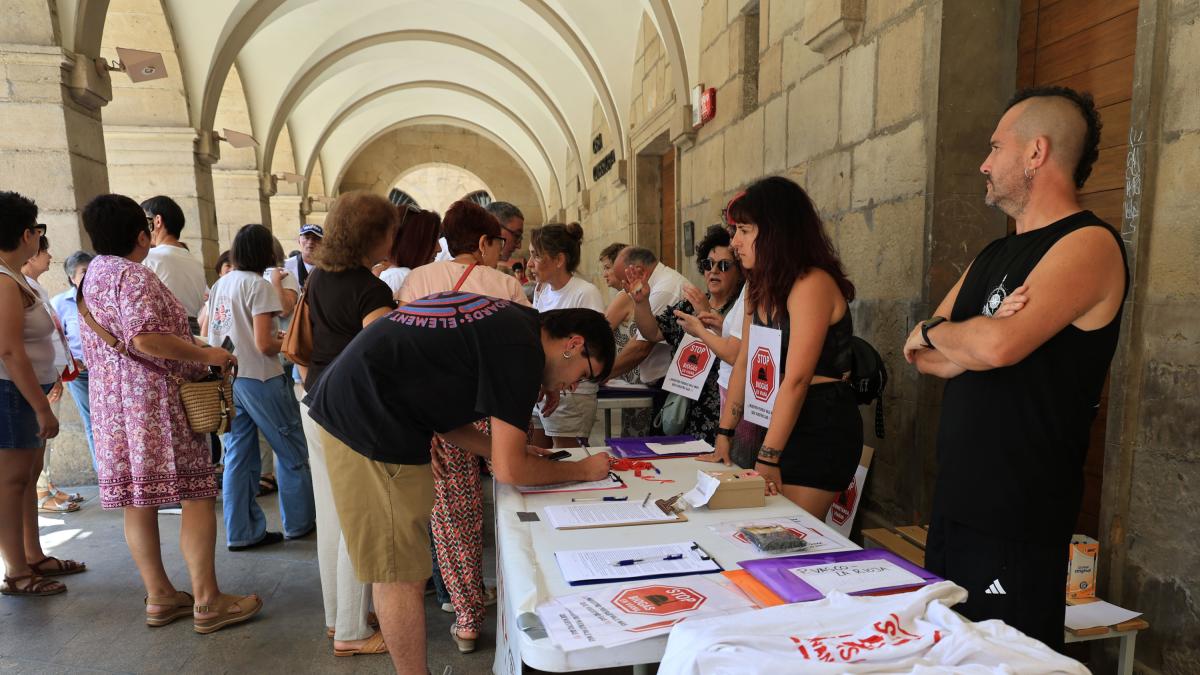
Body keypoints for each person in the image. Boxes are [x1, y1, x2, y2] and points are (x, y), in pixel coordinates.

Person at [903, 86, 1126, 651]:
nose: (984, 163)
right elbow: (924, 357)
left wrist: (950, 332)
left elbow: (997, 348)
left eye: (995, 147)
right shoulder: (994, 254)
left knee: (1006, 659)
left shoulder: (1089, 243)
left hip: (1018, 515)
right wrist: (960, 336)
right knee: (947, 652)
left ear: (1036, 152)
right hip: (957, 503)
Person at [305, 296, 615, 674]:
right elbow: (509, 470)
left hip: (362, 403)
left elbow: (450, 420)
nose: (573, 386)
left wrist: (509, 450)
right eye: (584, 374)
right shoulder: (522, 351)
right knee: (400, 574)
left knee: (403, 566)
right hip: (367, 419)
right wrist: (581, 471)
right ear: (574, 344)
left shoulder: (517, 325)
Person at [79, 193, 261, 631]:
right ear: (142, 235)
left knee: (136, 500)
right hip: (156, 404)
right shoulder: (134, 276)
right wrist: (208, 355)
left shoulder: (92, 275)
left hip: (113, 407)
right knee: (196, 493)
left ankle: (160, 596)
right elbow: (145, 339)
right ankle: (208, 601)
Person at [397, 200, 529, 654]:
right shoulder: (505, 284)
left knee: (454, 516)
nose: (500, 251)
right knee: (516, 495)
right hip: (500, 405)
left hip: (440, 408)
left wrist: (421, 423)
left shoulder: (417, 281)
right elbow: (526, 351)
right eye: (498, 243)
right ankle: (523, 595)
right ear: (483, 242)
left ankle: (469, 618)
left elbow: (405, 356)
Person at [706, 177, 863, 522]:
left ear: (776, 231)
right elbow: (745, 362)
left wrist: (768, 457)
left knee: (788, 532)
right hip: (775, 420)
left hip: (819, 425)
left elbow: (797, 379)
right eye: (735, 231)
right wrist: (724, 433)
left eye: (744, 230)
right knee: (758, 528)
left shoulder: (811, 283)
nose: (734, 242)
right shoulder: (758, 286)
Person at [300, 191, 397, 657]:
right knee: (358, 518)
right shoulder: (371, 290)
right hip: (350, 410)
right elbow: (381, 357)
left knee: (332, 517)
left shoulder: (319, 276)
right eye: (391, 231)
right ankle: (352, 632)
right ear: (373, 235)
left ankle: (337, 618)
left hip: (314, 400)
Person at [206, 224, 315, 551]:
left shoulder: (222, 283)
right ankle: (299, 523)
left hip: (229, 378)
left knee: (238, 457)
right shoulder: (258, 285)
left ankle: (241, 532)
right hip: (262, 378)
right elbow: (264, 344)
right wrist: (293, 342)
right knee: (292, 451)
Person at [0, 193, 85, 597]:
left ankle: (32, 555)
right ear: (26, 234)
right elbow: (9, 350)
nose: (39, 238)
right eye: (38, 230)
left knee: (27, 478)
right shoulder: (3, 281)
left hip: (23, 391)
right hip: (12, 393)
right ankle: (16, 570)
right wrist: (40, 407)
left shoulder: (14, 277)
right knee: (11, 481)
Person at [626, 225, 744, 444]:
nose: (713, 271)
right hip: (681, 408)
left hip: (720, 413)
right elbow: (652, 332)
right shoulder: (690, 304)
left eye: (724, 265)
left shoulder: (740, 309)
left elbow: (737, 353)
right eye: (708, 264)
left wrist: (706, 314)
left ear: (739, 272)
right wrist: (641, 303)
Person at [529, 223, 605, 448]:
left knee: (567, 455)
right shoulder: (542, 290)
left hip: (571, 391)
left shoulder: (585, 292)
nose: (530, 263)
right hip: (543, 385)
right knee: (538, 450)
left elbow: (592, 346)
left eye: (536, 255)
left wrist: (558, 378)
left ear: (559, 260)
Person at [20, 237, 75, 512]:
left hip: (48, 375)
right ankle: (41, 490)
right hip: (37, 378)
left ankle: (46, 485)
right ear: (30, 254)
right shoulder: (17, 286)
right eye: (45, 251)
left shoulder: (33, 286)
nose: (50, 256)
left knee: (45, 441)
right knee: (38, 438)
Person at [606, 247, 688, 387]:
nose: (624, 290)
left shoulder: (665, 289)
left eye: (625, 281)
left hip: (669, 382)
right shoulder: (658, 284)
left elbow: (641, 346)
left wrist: (602, 375)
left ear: (640, 271)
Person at [51, 251, 97, 476]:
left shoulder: (103, 298)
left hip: (107, 372)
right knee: (92, 422)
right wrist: (70, 364)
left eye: (92, 270)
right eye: (84, 272)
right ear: (72, 277)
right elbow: (56, 339)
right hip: (81, 374)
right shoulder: (60, 303)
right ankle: (104, 474)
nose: (89, 276)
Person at [141, 196, 208, 334]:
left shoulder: (149, 257)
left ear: (157, 221)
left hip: (166, 332)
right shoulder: (195, 262)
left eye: (143, 222)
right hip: (192, 332)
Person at [379, 204, 441, 297]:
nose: (439, 249)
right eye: (433, 241)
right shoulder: (400, 277)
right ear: (414, 243)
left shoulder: (400, 276)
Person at [285, 223, 323, 290]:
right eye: (306, 237)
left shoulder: (330, 267)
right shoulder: (286, 266)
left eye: (315, 239)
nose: (310, 242)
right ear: (299, 240)